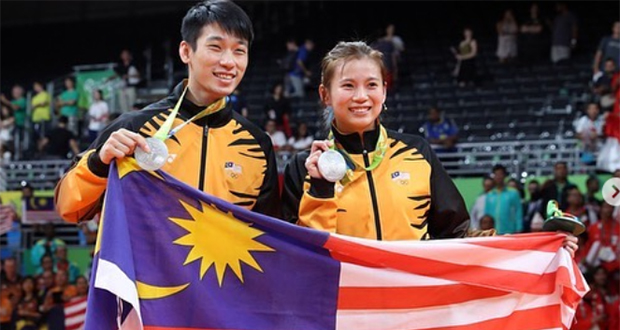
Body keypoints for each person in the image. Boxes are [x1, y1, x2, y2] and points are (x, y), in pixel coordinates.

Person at [54, 0, 281, 224]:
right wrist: (99, 163)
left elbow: (269, 239)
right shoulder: (134, 128)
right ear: (186, 52)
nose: (229, 62)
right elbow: (69, 208)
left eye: (239, 51)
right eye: (215, 47)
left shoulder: (257, 145)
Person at [282, 41, 471, 241]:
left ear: (384, 91)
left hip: (407, 273)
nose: (361, 97)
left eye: (371, 85)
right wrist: (321, 189)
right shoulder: (305, 168)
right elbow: (299, 254)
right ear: (325, 95)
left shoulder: (417, 151)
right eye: (348, 86)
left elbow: (456, 234)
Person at [483, 164, 523, 235]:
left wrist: (519, 228)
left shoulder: (513, 193)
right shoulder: (490, 195)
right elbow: (487, 214)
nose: (498, 177)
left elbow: (518, 212)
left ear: (504, 176)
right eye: (496, 174)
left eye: (500, 174)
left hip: (509, 231)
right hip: (493, 232)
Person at [114, 49, 142, 113]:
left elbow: (139, 75)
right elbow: (117, 75)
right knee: (123, 105)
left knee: (132, 104)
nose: (124, 56)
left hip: (131, 87)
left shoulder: (134, 64)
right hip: (122, 87)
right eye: (123, 54)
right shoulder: (120, 65)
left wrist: (128, 76)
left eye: (126, 54)